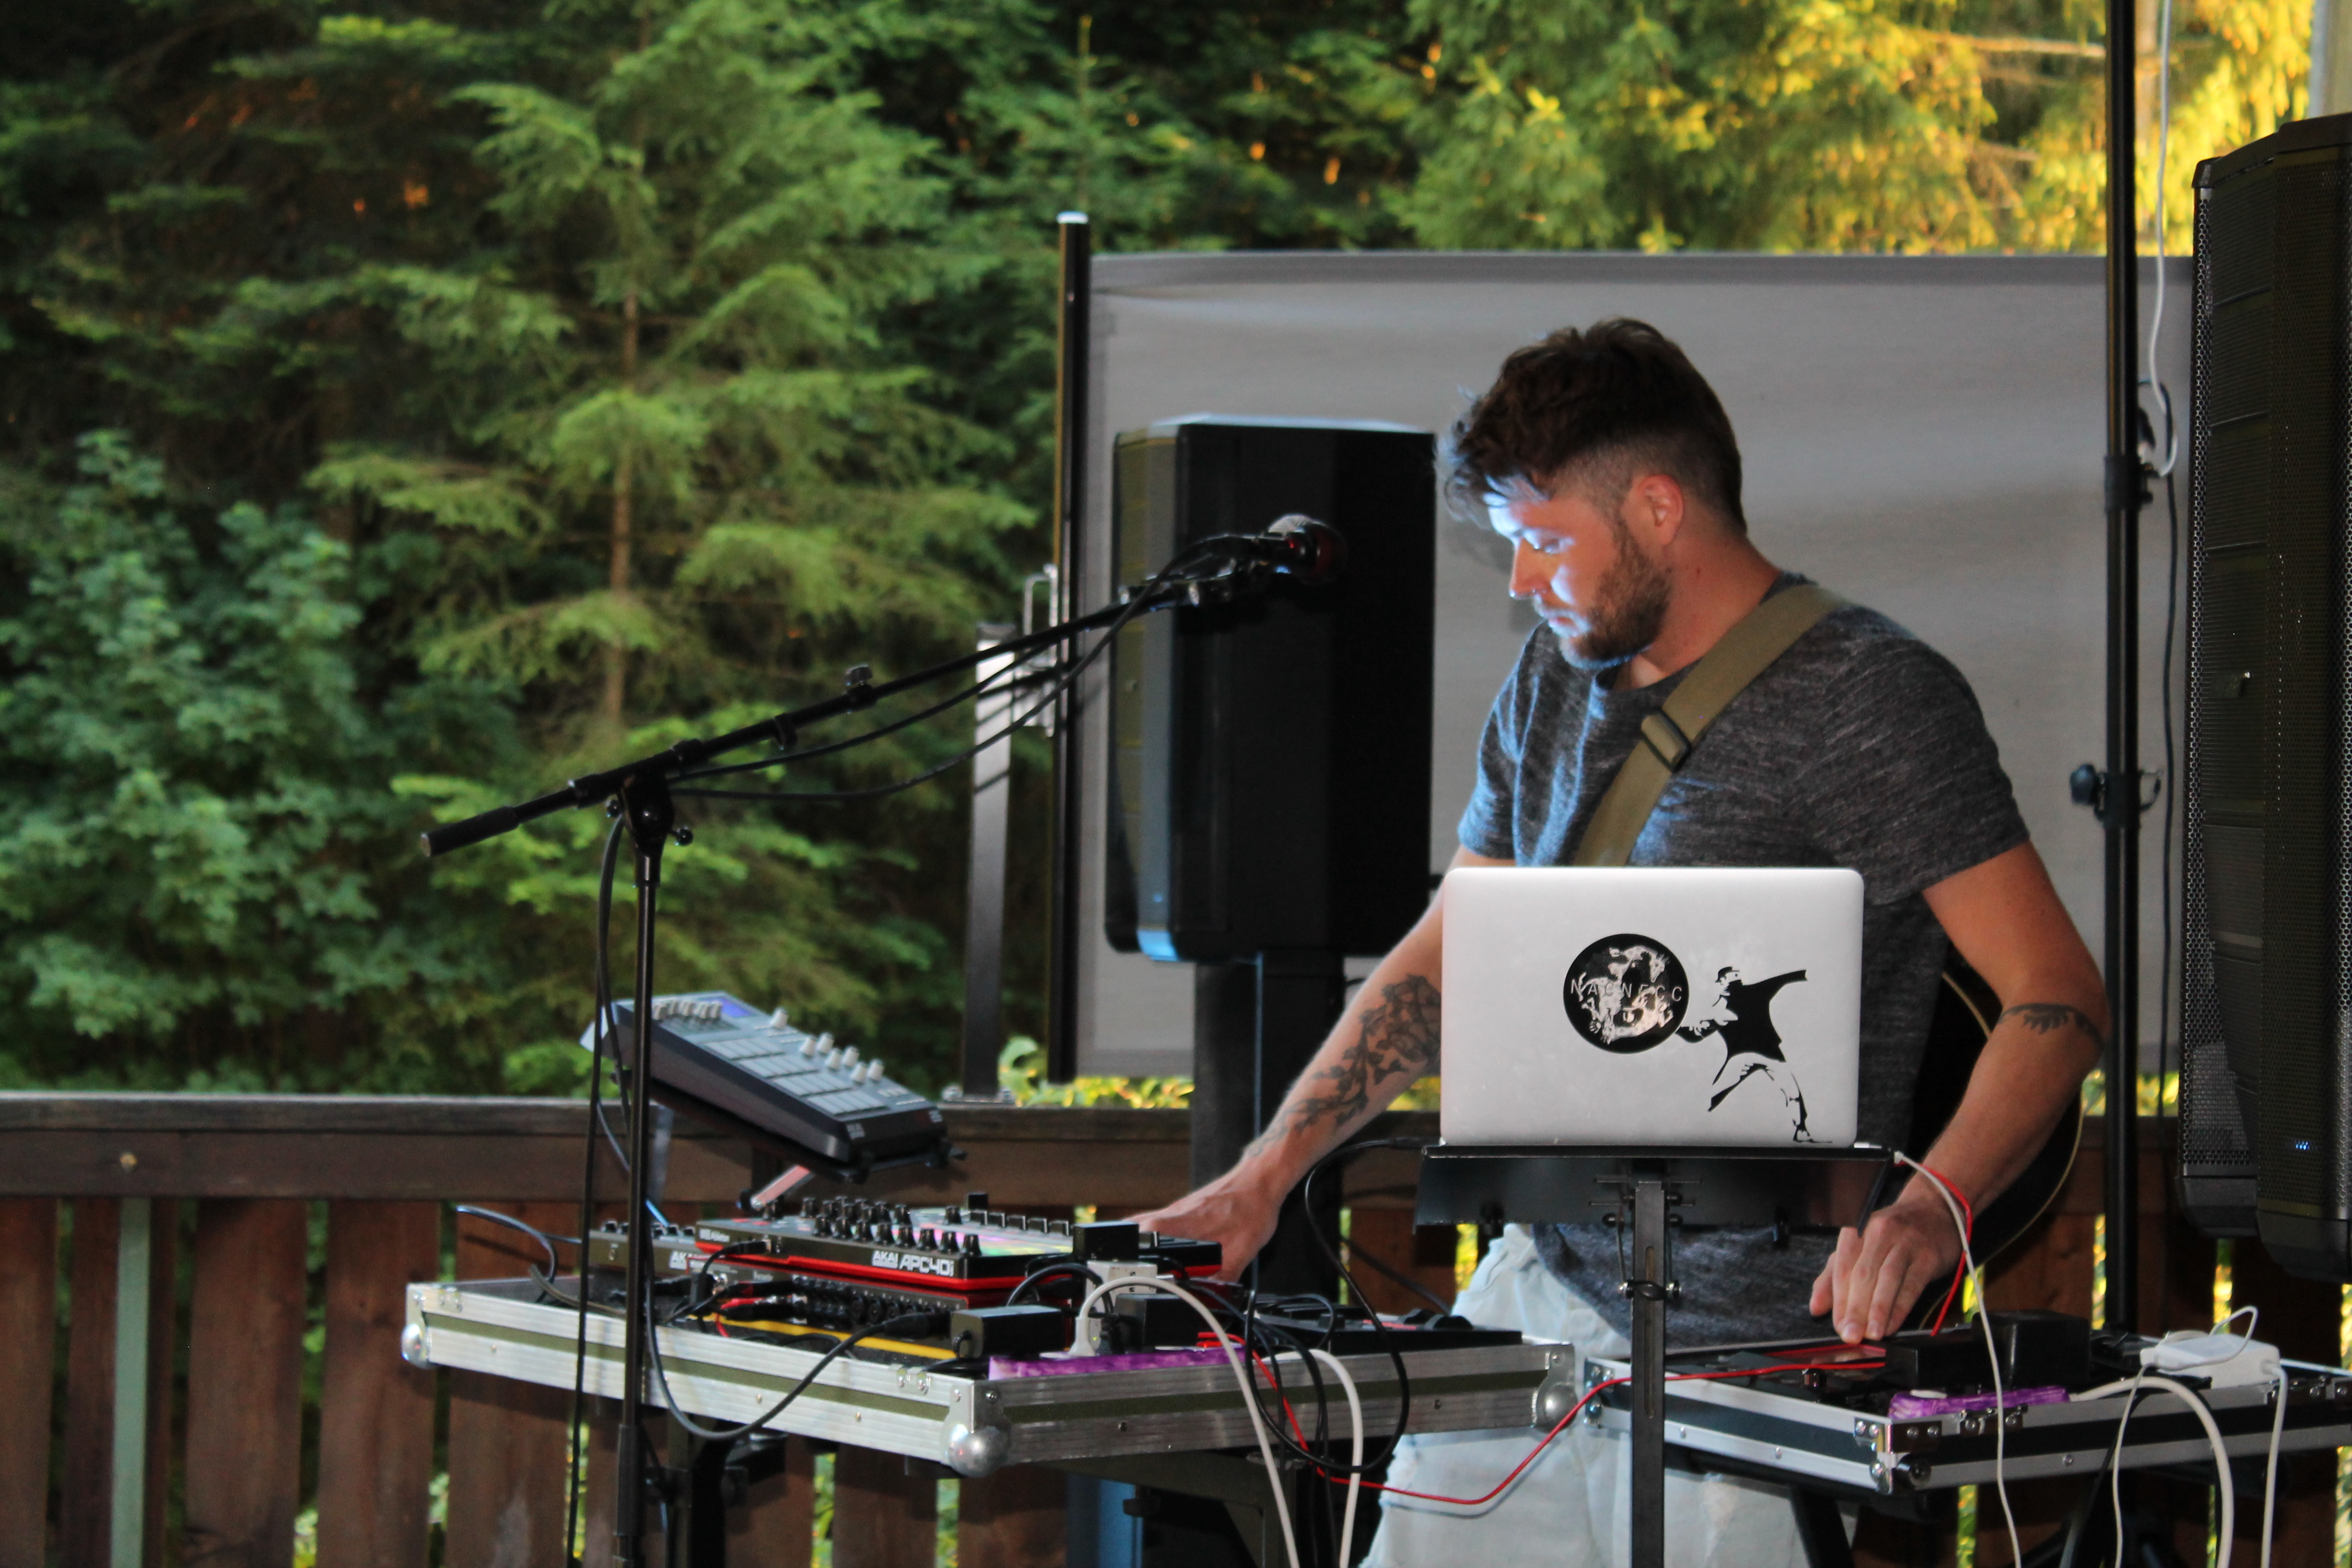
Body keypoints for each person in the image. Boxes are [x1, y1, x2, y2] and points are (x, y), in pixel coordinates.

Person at [1133, 319, 2107, 1566]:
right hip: (1542, 1293)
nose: (1520, 581)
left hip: (1764, 1352)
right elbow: (1446, 957)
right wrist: (1262, 1176)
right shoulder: (1549, 683)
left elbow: (2058, 998)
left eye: (1543, 541)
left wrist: (1928, 1214)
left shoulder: (1872, 697)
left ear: (1657, 507)